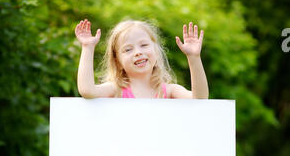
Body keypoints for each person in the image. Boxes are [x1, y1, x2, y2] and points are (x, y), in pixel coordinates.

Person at [75, 18, 209, 99]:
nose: (138, 52)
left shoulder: (169, 91)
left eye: (144, 45)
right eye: (128, 49)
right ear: (118, 62)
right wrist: (87, 47)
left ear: (156, 52)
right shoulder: (116, 90)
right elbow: (87, 91)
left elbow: (200, 98)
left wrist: (194, 57)